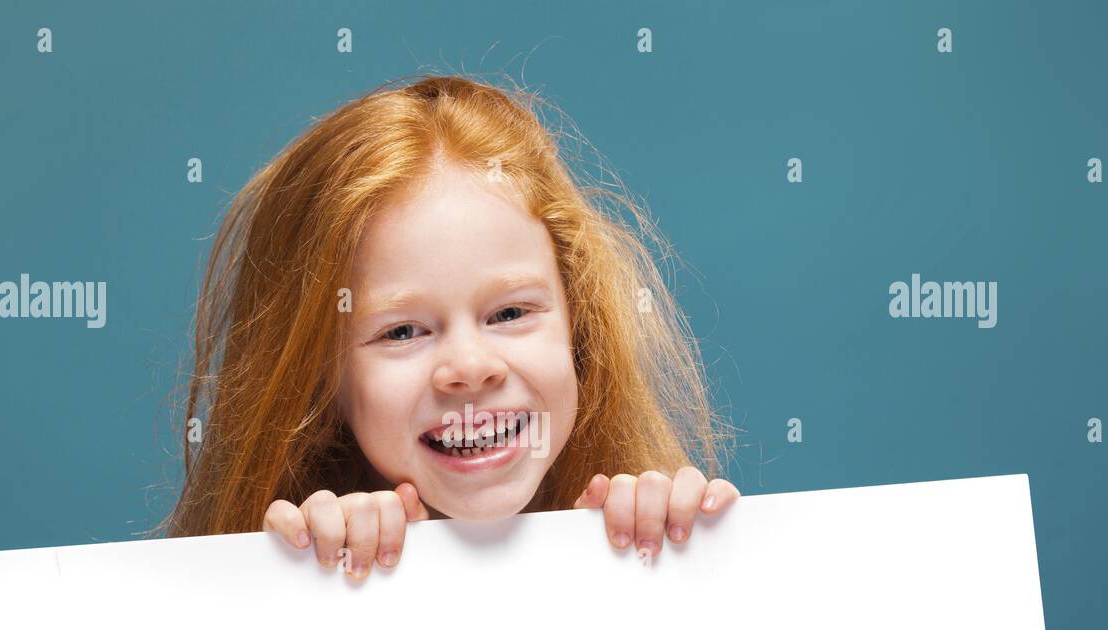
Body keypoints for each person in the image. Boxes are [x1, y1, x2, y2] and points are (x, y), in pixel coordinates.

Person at [163, 75, 739, 577]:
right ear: (319, 380)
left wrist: (679, 562)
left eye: (510, 313)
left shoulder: (646, 536)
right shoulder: (295, 568)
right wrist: (302, 571)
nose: (469, 368)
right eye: (402, 332)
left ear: (579, 331)